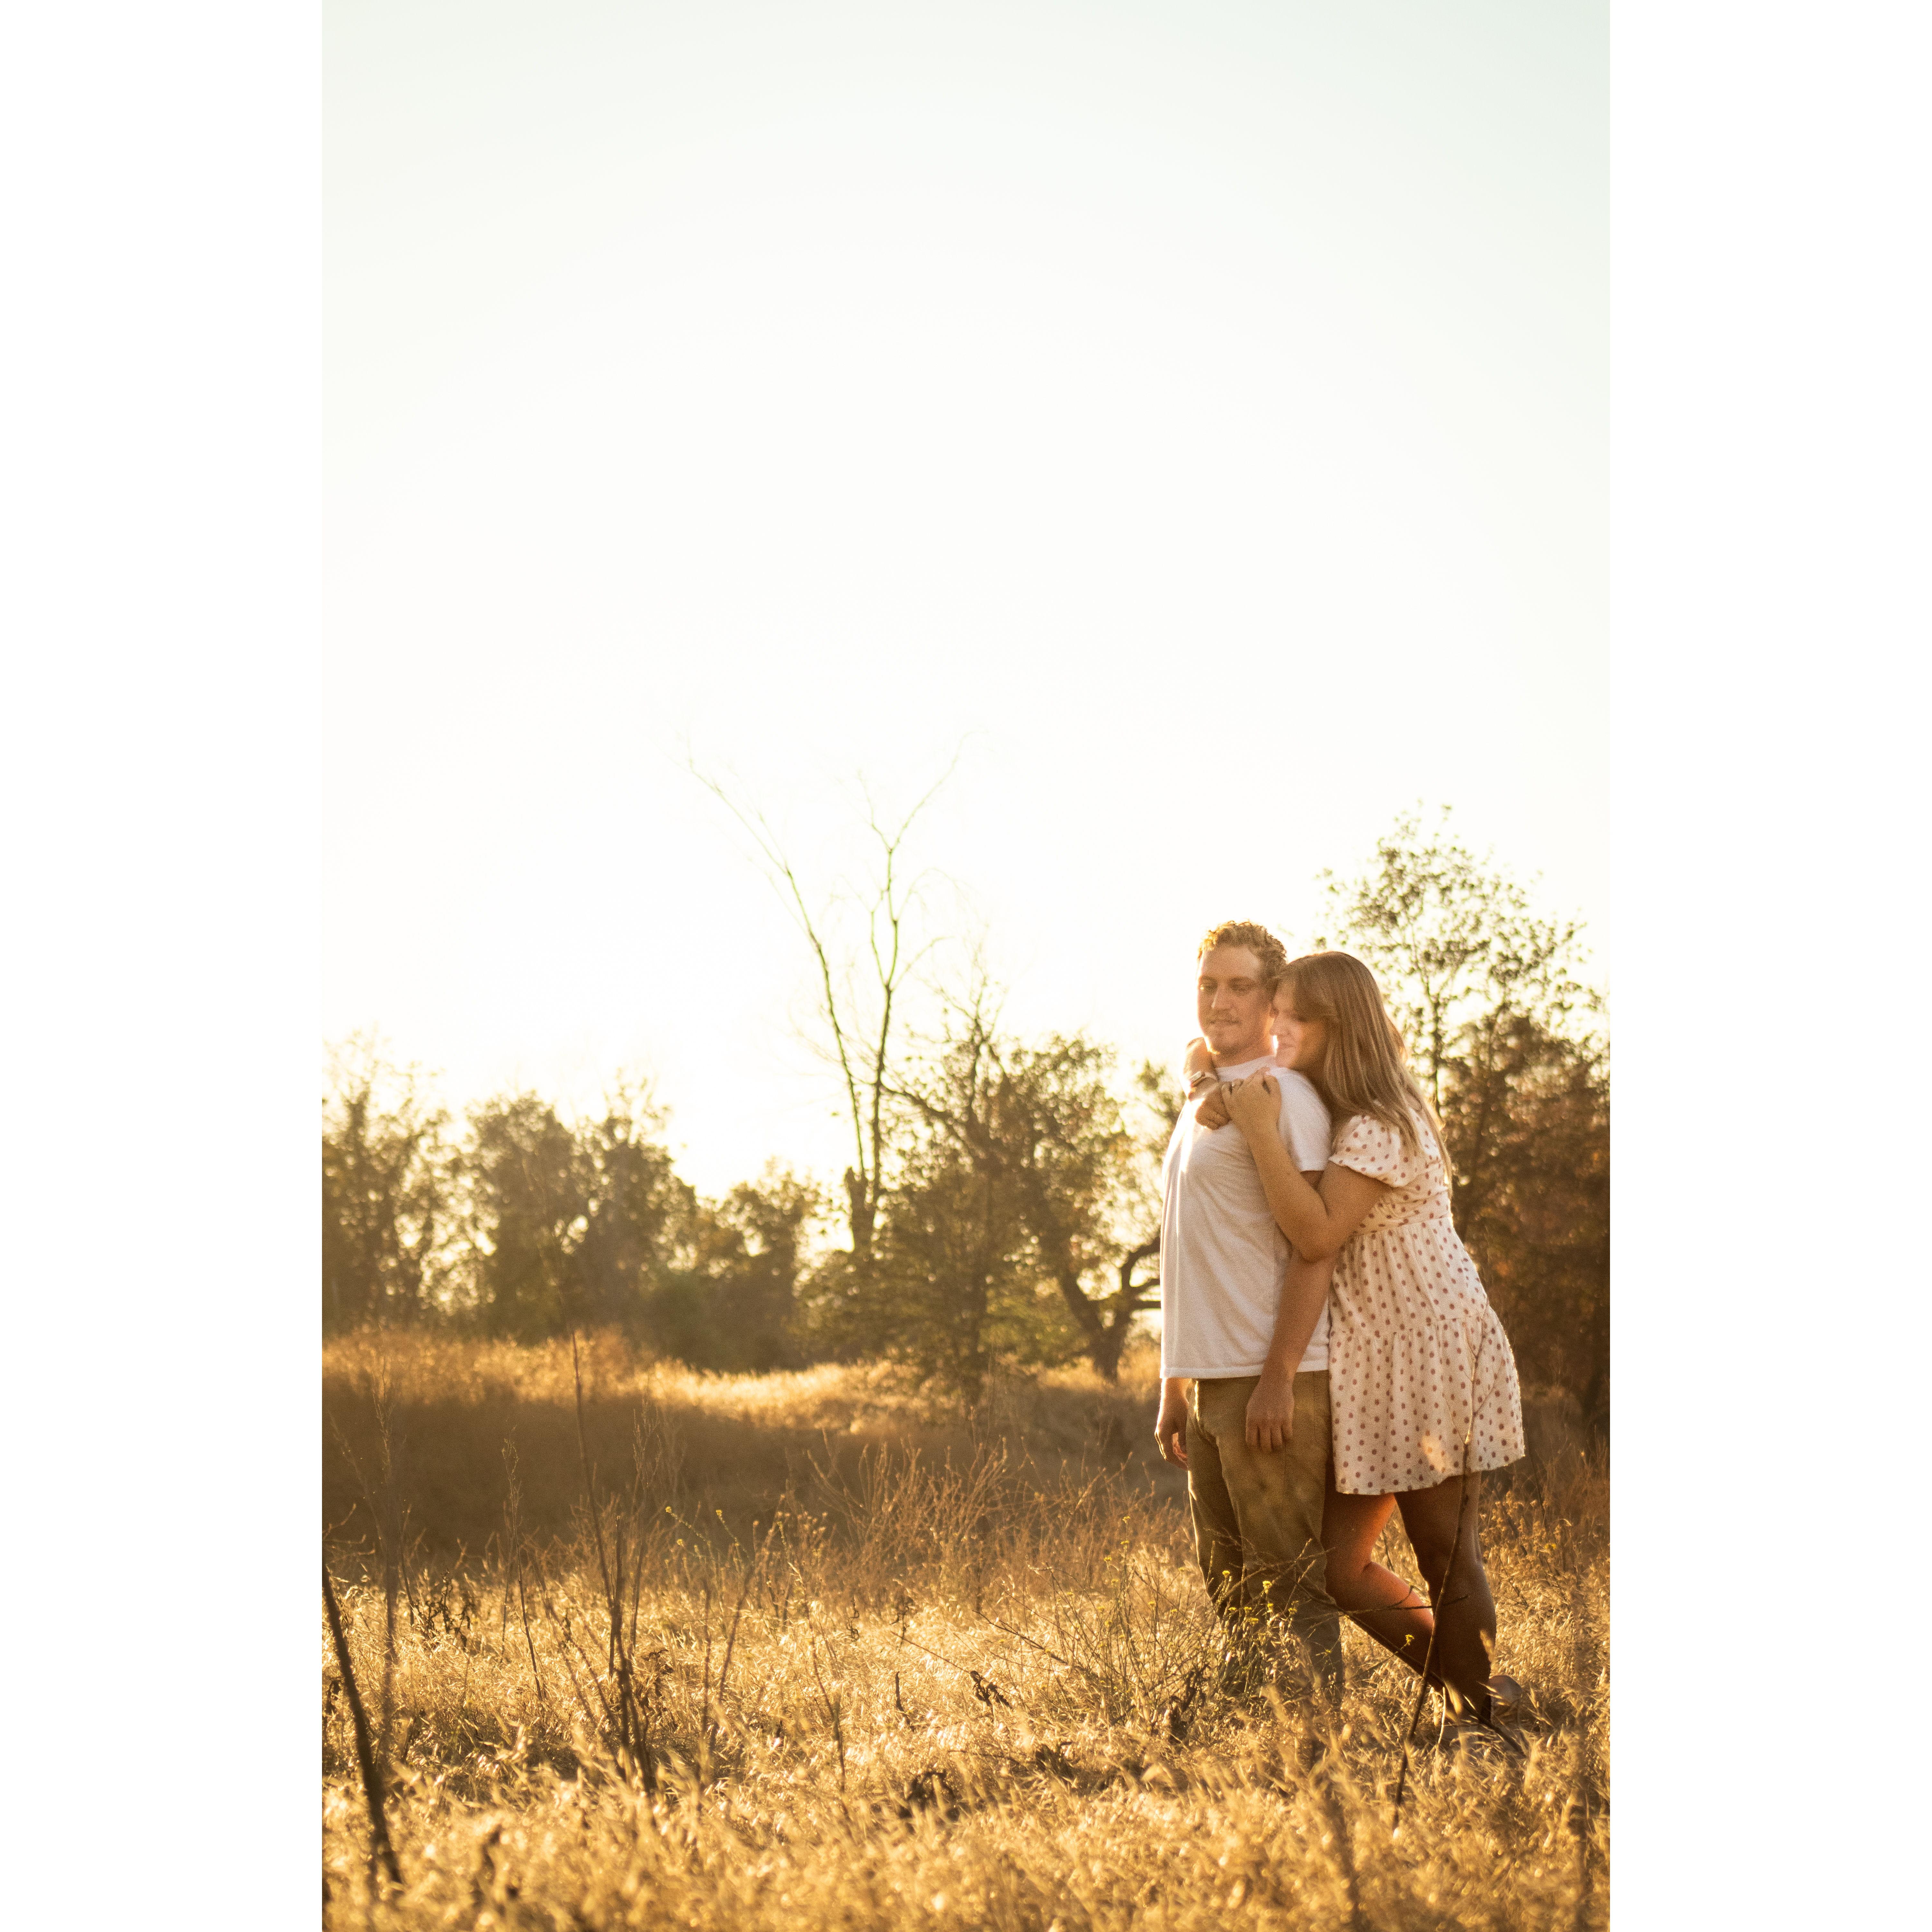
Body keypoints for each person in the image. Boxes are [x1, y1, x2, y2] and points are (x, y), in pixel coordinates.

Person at [1192, 949, 1526, 1730]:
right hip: (1369, 1360)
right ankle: (1478, 1696)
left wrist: (1258, 1129)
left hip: (1433, 1349)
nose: (1274, 1026)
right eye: (1276, 1011)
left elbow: (1315, 1235)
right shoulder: (1331, 1109)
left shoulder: (1382, 1124)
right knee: (1338, 1569)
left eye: (1292, 1017)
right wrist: (1205, 1075)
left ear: (1336, 1028)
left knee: (1443, 1549)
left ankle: (1480, 1716)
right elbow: (1212, 1054)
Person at [1153, 920, 1344, 1701]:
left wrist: (1279, 1377)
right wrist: (1174, 1383)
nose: (1220, 1001)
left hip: (1271, 1381)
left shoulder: (1286, 1098)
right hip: (1210, 1381)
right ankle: (1251, 1742)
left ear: (1274, 1001)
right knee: (1231, 1589)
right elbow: (1187, 1247)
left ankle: (1321, 1742)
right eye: (1208, 985)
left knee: (1290, 1584)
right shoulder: (1205, 1098)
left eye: (1240, 986)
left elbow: (1315, 1248)